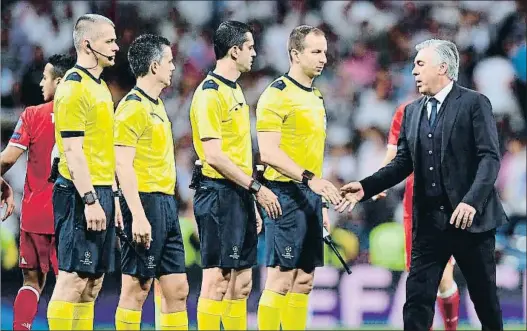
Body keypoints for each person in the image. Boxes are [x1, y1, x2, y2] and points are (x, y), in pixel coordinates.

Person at [338, 39, 506, 331]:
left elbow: (490, 158)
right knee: (416, 300)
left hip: (470, 221)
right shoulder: (412, 111)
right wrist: (366, 187)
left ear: (442, 68)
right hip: (428, 222)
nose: (413, 71)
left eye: (419, 64)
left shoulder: (474, 103)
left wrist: (471, 201)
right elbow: (402, 163)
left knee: (485, 300)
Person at [189, 20, 280, 331]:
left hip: (239, 194)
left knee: (241, 282)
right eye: (250, 47)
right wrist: (256, 189)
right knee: (216, 279)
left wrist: (249, 199)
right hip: (216, 194)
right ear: (234, 50)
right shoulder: (210, 93)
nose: (254, 53)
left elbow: (238, 154)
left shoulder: (236, 90)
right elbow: (213, 154)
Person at [255, 25, 342, 331]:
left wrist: (320, 204)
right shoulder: (276, 94)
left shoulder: (316, 96)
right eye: (316, 52)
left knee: (304, 280)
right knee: (280, 276)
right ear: (295, 54)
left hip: (309, 196)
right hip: (284, 194)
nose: (323, 59)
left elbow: (311, 154)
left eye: (325, 52)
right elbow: (268, 152)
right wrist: (310, 180)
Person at [46, 14, 120, 330]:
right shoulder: (74, 87)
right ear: (88, 44)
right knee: (73, 279)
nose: (116, 47)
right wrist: (90, 199)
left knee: (92, 284)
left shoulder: (99, 86)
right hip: (80, 193)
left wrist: (113, 195)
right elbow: (73, 151)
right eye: (109, 41)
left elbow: (104, 147)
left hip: (102, 189)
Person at [114, 34, 189, 331]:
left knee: (178, 289)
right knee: (137, 288)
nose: (173, 67)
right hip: (144, 201)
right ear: (155, 65)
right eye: (169, 61)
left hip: (166, 204)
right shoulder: (132, 107)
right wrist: (138, 215)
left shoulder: (155, 105)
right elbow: (122, 164)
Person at [0, 53, 75, 330]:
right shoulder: (85, 118)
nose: (41, 83)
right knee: (72, 286)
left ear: (59, 81)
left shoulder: (32, 115)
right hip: (69, 214)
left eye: (46, 78)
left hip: (35, 214)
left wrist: (1, 183)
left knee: (31, 283)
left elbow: (6, 159)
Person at [374, 102, 460, 330]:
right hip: (415, 203)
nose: (416, 72)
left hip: (448, 201)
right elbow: (393, 154)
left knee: (442, 277)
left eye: (421, 64)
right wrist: (377, 182)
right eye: (415, 65)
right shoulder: (405, 111)